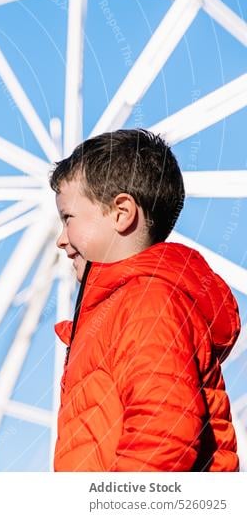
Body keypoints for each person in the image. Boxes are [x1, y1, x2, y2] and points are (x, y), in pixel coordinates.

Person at [51, 128, 240, 471]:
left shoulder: (148, 304)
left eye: (68, 218)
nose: (61, 240)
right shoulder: (122, 308)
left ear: (122, 212)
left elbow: (162, 436)